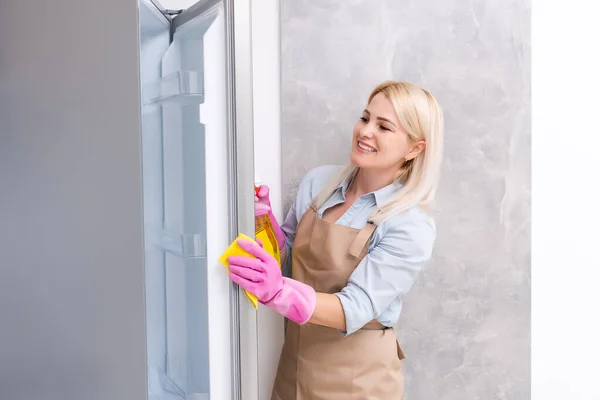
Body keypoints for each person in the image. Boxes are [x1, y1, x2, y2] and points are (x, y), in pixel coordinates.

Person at [227, 81, 444, 399]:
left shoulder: (410, 225)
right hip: (297, 363)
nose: (365, 131)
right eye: (365, 117)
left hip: (359, 378)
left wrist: (277, 291)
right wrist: (262, 220)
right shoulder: (319, 182)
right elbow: (288, 256)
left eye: (384, 127)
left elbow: (355, 308)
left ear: (414, 149)